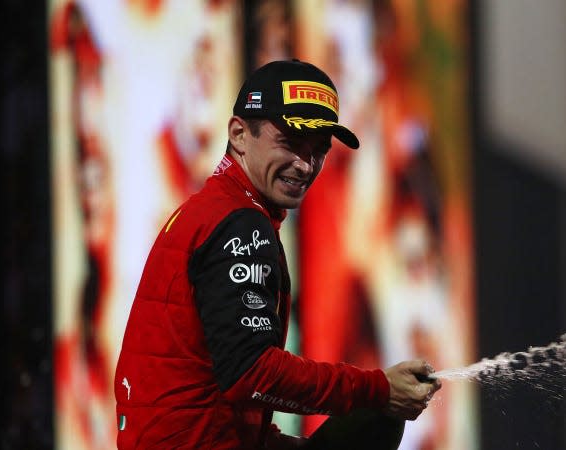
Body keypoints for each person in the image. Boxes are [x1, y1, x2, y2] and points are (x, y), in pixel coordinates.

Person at [113, 59, 441, 449]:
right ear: (238, 134)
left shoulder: (208, 211)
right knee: (378, 418)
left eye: (318, 149)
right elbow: (251, 373)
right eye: (289, 142)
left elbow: (206, 390)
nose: (305, 165)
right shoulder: (239, 223)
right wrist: (376, 389)